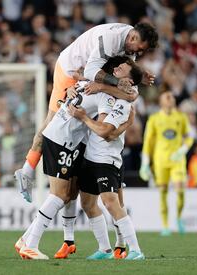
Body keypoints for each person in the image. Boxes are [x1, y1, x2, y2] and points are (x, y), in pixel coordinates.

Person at [14, 22, 158, 203]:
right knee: (51, 124)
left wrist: (137, 76)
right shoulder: (111, 38)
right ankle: (27, 171)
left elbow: (129, 87)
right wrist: (116, 83)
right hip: (71, 71)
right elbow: (91, 71)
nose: (139, 53)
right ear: (134, 37)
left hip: (86, 79)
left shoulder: (130, 46)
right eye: (139, 49)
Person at [16, 58, 141, 260]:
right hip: (61, 140)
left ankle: (39, 240)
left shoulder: (89, 85)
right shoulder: (104, 95)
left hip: (68, 141)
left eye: (122, 70)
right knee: (60, 196)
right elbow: (105, 130)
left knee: (72, 195)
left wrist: (73, 91)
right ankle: (30, 244)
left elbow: (77, 79)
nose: (117, 70)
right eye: (116, 69)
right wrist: (124, 120)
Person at [68, 69, 145, 260]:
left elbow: (106, 132)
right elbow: (79, 74)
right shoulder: (108, 92)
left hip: (107, 160)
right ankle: (105, 249)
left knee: (111, 203)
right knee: (87, 203)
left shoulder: (123, 103)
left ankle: (135, 250)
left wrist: (84, 117)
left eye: (121, 70)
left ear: (128, 81)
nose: (115, 71)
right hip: (91, 157)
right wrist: (71, 86)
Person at [139, 90, 194, 236]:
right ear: (161, 102)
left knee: (180, 190)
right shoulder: (154, 119)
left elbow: (189, 137)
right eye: (166, 97)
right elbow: (148, 142)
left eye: (171, 96)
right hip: (160, 160)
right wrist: (145, 163)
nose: (169, 98)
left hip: (177, 160)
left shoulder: (181, 117)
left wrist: (182, 150)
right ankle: (165, 226)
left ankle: (179, 218)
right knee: (163, 192)